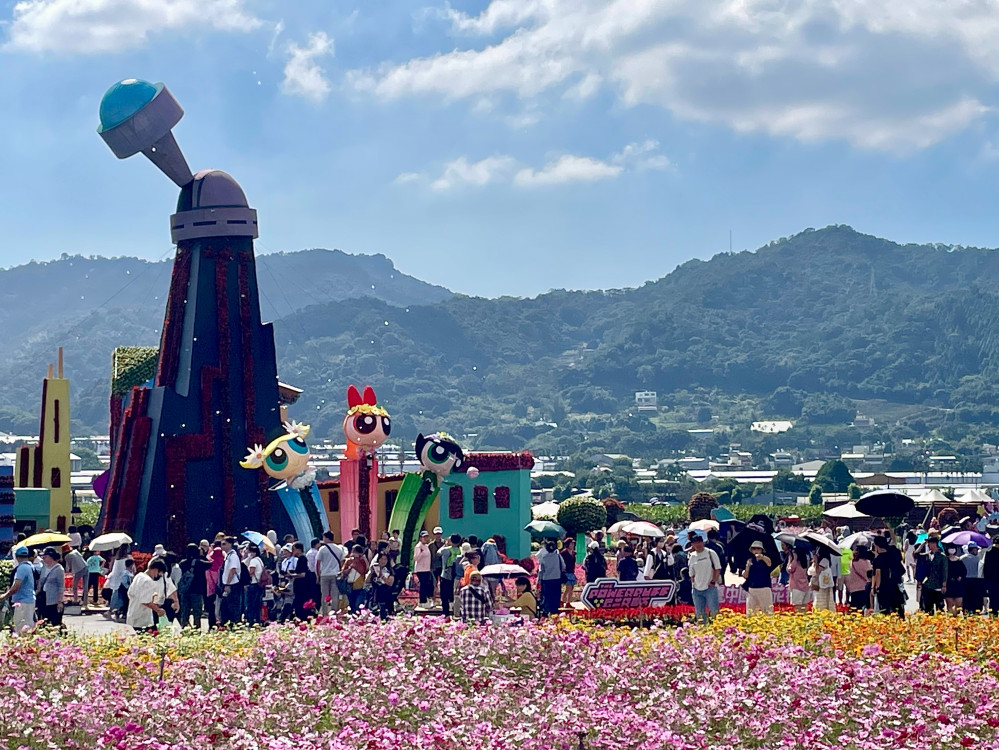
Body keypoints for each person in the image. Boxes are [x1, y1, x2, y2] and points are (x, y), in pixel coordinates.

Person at [126, 558, 172, 633]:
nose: (158, 576)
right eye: (159, 574)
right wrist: (158, 610)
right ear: (156, 570)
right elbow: (145, 601)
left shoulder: (139, 576)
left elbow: (130, 593)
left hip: (132, 611)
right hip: (142, 618)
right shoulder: (148, 581)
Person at [0, 546, 36, 634]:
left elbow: (16, 586)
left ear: (16, 556)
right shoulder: (30, 566)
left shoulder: (22, 568)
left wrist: (4, 596)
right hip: (28, 600)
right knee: (28, 626)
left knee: (21, 628)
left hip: (22, 602)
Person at [688, 534, 721, 624]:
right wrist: (693, 584)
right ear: (692, 545)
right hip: (697, 590)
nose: (698, 545)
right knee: (700, 614)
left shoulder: (710, 553)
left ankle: (717, 629)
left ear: (703, 542)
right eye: (695, 543)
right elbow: (691, 573)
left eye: (699, 542)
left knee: (714, 612)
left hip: (710, 588)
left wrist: (713, 581)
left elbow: (717, 568)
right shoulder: (692, 556)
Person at [178, 543, 211, 629]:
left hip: (185, 590)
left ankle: (184, 627)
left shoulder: (182, 563)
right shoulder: (200, 562)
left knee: (185, 612)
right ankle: (197, 628)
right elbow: (210, 564)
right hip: (197, 590)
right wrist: (201, 555)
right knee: (197, 612)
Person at [871, 536, 905, 618]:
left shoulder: (878, 559)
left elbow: (878, 575)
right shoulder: (892, 555)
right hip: (894, 585)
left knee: (885, 609)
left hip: (883, 587)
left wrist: (875, 588)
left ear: (876, 545)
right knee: (896, 607)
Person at [316, 531, 345, 616]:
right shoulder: (339, 548)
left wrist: (318, 575)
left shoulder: (322, 549)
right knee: (335, 595)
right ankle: (334, 613)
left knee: (325, 595)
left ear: (326, 538)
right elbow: (342, 562)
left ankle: (325, 614)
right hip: (336, 574)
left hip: (324, 574)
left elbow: (318, 563)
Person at [36, 547, 66, 628]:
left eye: (45, 556)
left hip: (53, 599)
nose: (43, 558)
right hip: (43, 597)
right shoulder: (44, 568)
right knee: (43, 620)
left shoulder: (59, 569)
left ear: (51, 557)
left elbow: (61, 586)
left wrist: (59, 601)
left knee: (54, 621)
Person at [219, 536, 244, 626]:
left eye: (224, 544)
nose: (222, 546)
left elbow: (232, 570)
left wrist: (228, 584)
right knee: (225, 608)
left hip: (233, 585)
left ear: (230, 544)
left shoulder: (233, 556)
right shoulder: (228, 556)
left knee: (233, 607)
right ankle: (226, 624)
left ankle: (234, 625)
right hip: (228, 584)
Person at [742, 541, 773, 615]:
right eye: (754, 549)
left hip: (764, 588)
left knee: (767, 611)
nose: (756, 550)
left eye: (758, 549)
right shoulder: (750, 560)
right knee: (750, 611)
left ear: (762, 550)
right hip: (752, 588)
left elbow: (769, 563)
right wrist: (747, 567)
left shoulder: (765, 559)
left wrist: (761, 557)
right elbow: (745, 575)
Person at [918, 536, 947, 614]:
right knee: (928, 607)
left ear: (935, 544)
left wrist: (944, 584)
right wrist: (922, 545)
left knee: (939, 607)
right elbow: (916, 554)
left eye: (929, 543)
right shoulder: (927, 555)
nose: (928, 546)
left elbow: (944, 571)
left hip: (938, 584)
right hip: (928, 584)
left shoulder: (942, 556)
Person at [537, 540, 566, 616]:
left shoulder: (544, 558)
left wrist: (539, 581)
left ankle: (547, 613)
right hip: (557, 579)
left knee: (547, 598)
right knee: (556, 598)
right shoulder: (558, 556)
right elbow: (563, 567)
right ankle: (555, 613)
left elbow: (541, 571)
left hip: (546, 580)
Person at [340, 544, 369, 614]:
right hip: (350, 585)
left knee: (358, 605)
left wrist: (363, 558)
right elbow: (343, 572)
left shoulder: (362, 561)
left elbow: (366, 569)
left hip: (360, 586)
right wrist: (350, 567)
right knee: (351, 604)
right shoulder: (349, 561)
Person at [438, 534, 462, 617]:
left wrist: (446, 543)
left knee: (444, 594)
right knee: (454, 594)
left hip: (445, 574)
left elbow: (438, 553)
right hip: (457, 575)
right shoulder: (461, 550)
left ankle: (446, 612)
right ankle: (455, 611)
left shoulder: (446, 550)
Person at [844, 546, 873, 611]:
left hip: (853, 588)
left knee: (854, 607)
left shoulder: (852, 562)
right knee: (863, 608)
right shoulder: (866, 562)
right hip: (863, 588)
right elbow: (869, 574)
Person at [368, 552, 395, 620]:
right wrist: (371, 573)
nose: (383, 561)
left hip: (386, 595)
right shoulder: (374, 569)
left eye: (385, 559)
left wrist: (381, 576)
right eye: (381, 559)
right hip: (375, 595)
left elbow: (390, 583)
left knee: (385, 615)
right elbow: (367, 581)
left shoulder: (390, 571)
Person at [808, 548, 836, 613]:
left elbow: (818, 571)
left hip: (823, 584)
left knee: (821, 600)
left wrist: (816, 561)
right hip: (820, 583)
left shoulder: (824, 560)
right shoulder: (821, 559)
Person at [243, 544, 265, 626]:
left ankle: (251, 621)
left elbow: (251, 572)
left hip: (253, 584)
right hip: (259, 584)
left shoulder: (253, 561)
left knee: (250, 604)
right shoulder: (259, 560)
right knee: (257, 604)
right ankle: (257, 620)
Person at [786, 545, 811, 613]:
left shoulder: (795, 559)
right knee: (804, 606)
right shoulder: (806, 558)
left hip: (796, 586)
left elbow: (790, 570)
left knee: (797, 607)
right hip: (805, 585)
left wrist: (791, 559)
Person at [961, 543, 984, 613]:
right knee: (976, 598)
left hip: (965, 580)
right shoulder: (978, 559)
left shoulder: (962, 558)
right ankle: (976, 611)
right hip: (976, 580)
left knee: (966, 598)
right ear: (973, 550)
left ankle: (966, 611)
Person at [413, 531, 434, 607]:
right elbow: (416, 558)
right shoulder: (418, 546)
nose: (426, 538)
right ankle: (422, 601)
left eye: (427, 537)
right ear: (420, 538)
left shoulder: (426, 546)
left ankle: (425, 600)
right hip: (421, 569)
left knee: (426, 585)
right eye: (424, 537)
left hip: (426, 569)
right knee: (423, 585)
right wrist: (421, 553)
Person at [944, 545, 965, 614]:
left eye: (953, 548)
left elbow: (964, 571)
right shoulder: (945, 560)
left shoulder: (959, 560)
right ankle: (951, 619)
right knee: (949, 604)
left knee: (958, 604)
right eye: (950, 548)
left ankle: (955, 617)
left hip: (958, 584)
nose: (952, 550)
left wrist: (961, 577)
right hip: (948, 583)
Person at [428, 526, 445, 606]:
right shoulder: (430, 545)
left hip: (443, 566)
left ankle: (442, 599)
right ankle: (433, 600)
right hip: (434, 566)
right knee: (433, 583)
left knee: (442, 584)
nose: (438, 535)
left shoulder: (445, 544)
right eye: (436, 534)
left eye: (439, 534)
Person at [560, 538, 577, 606]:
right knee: (568, 587)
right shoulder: (563, 553)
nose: (572, 545)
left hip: (571, 571)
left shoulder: (573, 553)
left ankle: (568, 602)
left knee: (571, 588)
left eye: (573, 543)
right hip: (566, 572)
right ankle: (563, 601)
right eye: (571, 543)